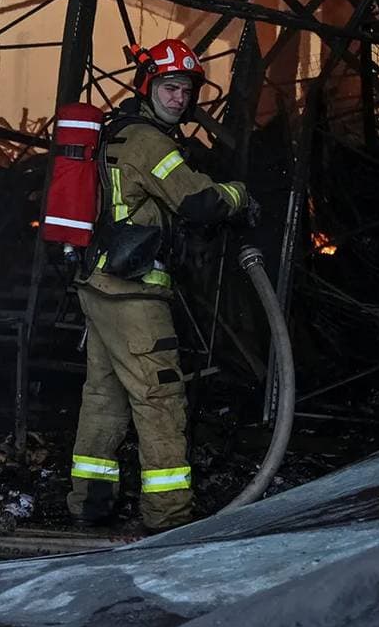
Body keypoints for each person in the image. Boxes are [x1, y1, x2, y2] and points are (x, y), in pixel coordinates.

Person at [66, 37, 256, 532]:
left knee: (104, 397)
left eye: (186, 90)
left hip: (97, 284)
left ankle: (89, 502)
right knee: (160, 398)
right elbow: (199, 204)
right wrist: (239, 195)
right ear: (148, 86)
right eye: (170, 87)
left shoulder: (116, 133)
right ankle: (169, 516)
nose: (179, 98)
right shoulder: (151, 143)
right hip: (133, 294)